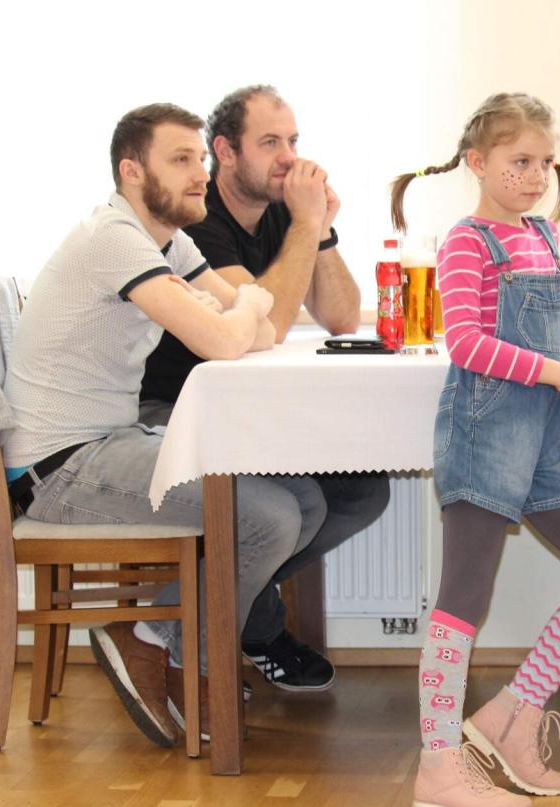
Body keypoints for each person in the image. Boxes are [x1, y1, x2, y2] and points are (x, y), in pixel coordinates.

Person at [1, 103, 325, 747]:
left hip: (110, 442)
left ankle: (146, 632)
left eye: (199, 158)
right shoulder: (114, 238)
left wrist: (244, 310)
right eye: (181, 160)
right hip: (59, 467)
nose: (200, 174)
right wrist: (245, 306)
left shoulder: (170, 242)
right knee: (268, 518)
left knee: (308, 502)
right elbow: (224, 339)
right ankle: (187, 661)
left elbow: (259, 330)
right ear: (131, 171)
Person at [388, 93, 560, 807]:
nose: (534, 176)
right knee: (464, 596)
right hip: (485, 435)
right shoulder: (467, 242)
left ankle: (512, 714)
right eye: (519, 161)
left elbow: (551, 328)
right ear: (478, 162)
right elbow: (466, 343)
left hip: (540, 444)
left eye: (544, 162)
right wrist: (556, 373)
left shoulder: (544, 234)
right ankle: (439, 763)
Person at [139, 85, 389, 693]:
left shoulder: (281, 213)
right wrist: (304, 222)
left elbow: (340, 317)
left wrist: (319, 230)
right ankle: (248, 625)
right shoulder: (199, 221)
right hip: (173, 413)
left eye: (293, 141)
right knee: (287, 507)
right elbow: (266, 323)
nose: (289, 158)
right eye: (270, 143)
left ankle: (234, 605)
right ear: (225, 152)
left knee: (362, 492)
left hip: (245, 416)